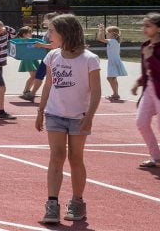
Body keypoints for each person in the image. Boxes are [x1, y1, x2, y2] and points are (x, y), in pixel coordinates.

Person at [35, 14, 100, 225]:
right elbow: (48, 85)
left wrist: (89, 116)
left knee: (75, 158)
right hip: (54, 114)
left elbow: (97, 91)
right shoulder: (53, 55)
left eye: (52, 30)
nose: (48, 34)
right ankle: (52, 203)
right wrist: (40, 110)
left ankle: (77, 201)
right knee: (56, 156)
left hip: (78, 117)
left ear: (65, 32)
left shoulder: (89, 59)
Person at [133, 13, 160, 170]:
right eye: (144, 25)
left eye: (148, 26)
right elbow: (148, 70)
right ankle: (157, 158)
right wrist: (138, 82)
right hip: (149, 89)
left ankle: (156, 158)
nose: (144, 28)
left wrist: (150, 57)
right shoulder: (146, 45)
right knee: (141, 123)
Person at [24, 13, 60, 102]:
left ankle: (33, 94)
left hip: (53, 57)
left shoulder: (55, 30)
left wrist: (42, 45)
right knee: (41, 76)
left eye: (45, 19)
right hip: (47, 57)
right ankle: (33, 94)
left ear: (51, 20)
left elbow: (54, 45)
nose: (43, 20)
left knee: (41, 76)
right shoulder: (49, 30)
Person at [97, 24, 126, 101]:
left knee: (110, 78)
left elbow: (100, 38)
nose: (106, 34)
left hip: (113, 62)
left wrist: (100, 30)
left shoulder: (112, 41)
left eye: (107, 32)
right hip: (114, 61)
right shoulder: (115, 41)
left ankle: (116, 94)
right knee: (113, 78)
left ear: (113, 33)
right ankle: (115, 94)